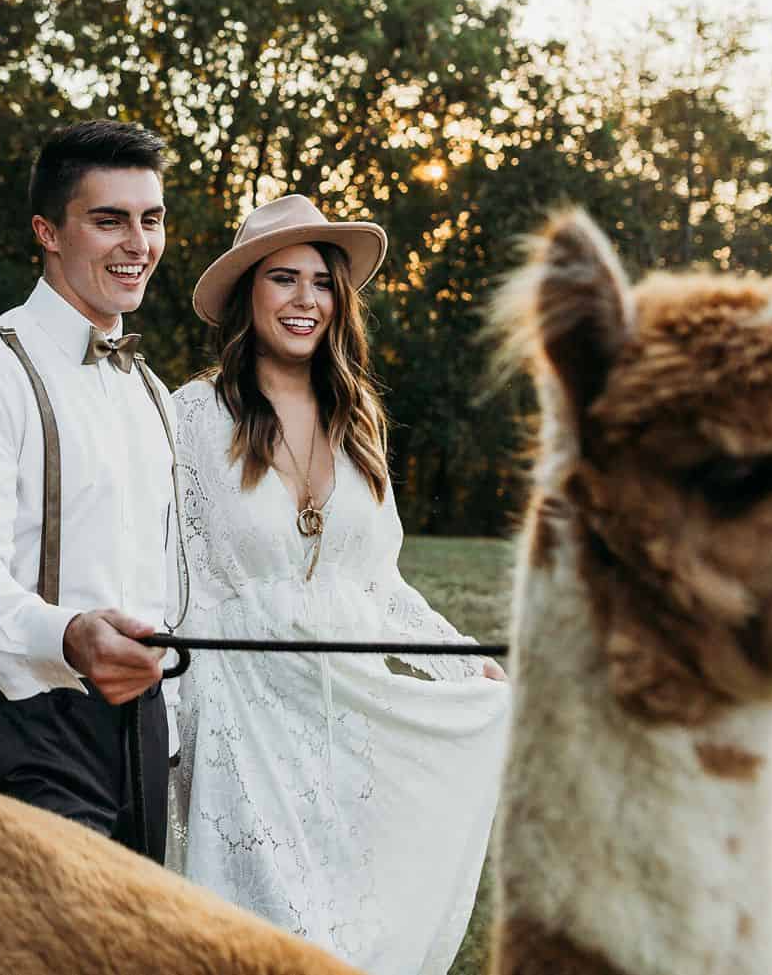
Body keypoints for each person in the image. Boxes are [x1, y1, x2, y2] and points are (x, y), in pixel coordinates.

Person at [169, 194, 509, 975]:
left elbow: (379, 588)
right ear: (247, 293)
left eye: (320, 282)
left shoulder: (358, 420)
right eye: (282, 278)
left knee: (349, 940)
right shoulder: (192, 415)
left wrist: (464, 662)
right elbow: (176, 575)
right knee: (263, 938)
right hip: (243, 724)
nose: (303, 300)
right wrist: (168, 717)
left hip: (350, 721)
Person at [0, 119, 180, 858]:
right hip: (22, 724)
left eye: (151, 219)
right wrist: (65, 633)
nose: (138, 243)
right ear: (48, 231)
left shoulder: (150, 390)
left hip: (141, 732)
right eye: (109, 220)